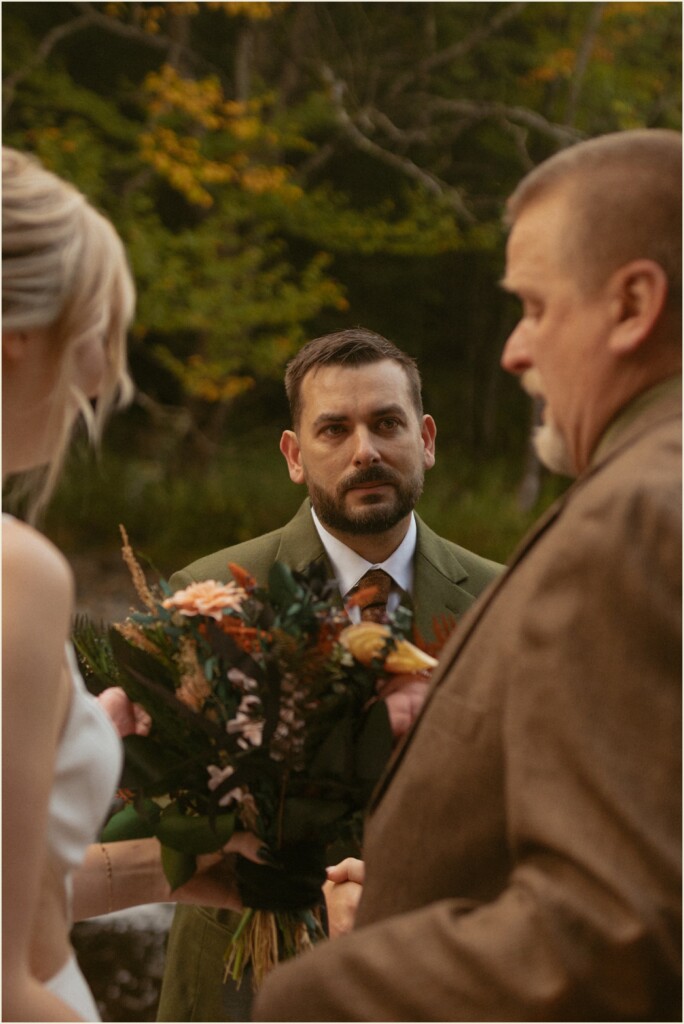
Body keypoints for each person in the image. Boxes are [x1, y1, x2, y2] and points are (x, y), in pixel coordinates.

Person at [251, 129, 682, 1021]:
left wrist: (326, 990)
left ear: (633, 303)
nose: (513, 352)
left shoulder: (639, 516)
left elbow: (617, 935)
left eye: (533, 305)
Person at [157, 327, 503, 1022]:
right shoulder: (212, 595)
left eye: (386, 424)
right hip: (242, 982)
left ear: (426, 439)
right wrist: (311, 888)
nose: (364, 451)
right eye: (334, 430)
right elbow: (173, 820)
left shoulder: (505, 601)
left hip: (438, 983)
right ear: (294, 454)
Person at [1, 147, 265, 1023]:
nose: (98, 379)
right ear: (21, 340)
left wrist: (165, 863)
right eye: (96, 335)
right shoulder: (17, 572)